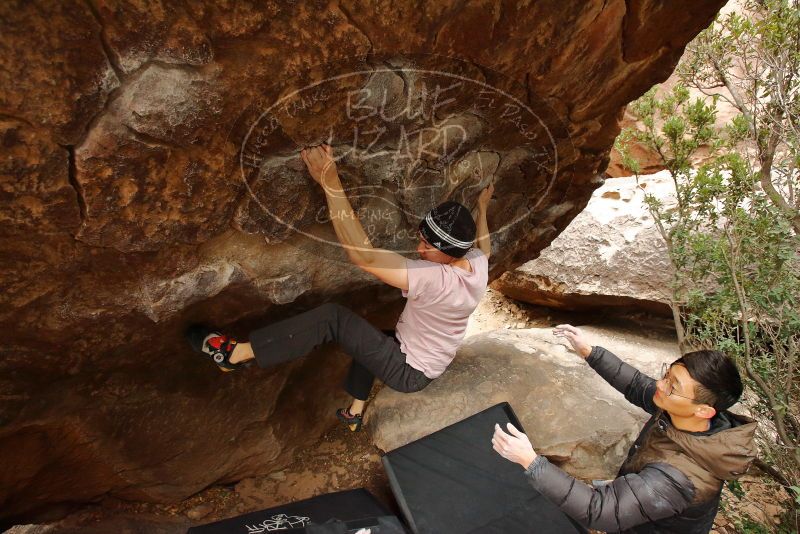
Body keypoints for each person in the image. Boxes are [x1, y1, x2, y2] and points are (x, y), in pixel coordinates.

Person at [188, 144, 493, 431]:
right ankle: (354, 413)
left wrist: (330, 181)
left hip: (409, 372)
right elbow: (485, 246)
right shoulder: (477, 262)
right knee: (371, 337)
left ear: (450, 251)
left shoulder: (434, 279)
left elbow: (363, 255)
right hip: (430, 360)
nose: (419, 248)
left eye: (427, 246)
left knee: (334, 319)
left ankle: (235, 354)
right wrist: (482, 209)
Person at [492, 324, 757, 533]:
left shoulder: (676, 479)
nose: (660, 385)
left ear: (704, 410)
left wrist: (531, 461)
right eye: (667, 375)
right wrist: (590, 351)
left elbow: (600, 511)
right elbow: (637, 385)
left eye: (672, 386)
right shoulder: (693, 417)